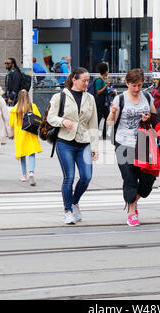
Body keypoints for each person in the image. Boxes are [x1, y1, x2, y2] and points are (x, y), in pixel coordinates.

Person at [47, 67, 99, 225]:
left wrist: (95, 148)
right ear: (74, 79)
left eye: (88, 80)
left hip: (84, 143)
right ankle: (68, 210)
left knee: (86, 176)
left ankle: (74, 202)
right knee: (69, 177)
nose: (86, 83)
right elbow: (50, 117)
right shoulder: (60, 96)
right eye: (84, 80)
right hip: (65, 142)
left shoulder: (90, 98)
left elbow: (93, 123)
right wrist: (63, 121)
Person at [107, 68, 157, 226]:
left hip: (143, 142)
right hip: (123, 142)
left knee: (147, 179)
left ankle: (132, 200)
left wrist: (148, 118)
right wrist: (113, 113)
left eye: (140, 85)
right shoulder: (120, 99)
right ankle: (131, 210)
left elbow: (155, 118)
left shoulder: (147, 97)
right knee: (129, 178)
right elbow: (110, 123)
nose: (137, 89)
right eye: (133, 85)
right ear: (127, 83)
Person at [9, 90, 42, 185]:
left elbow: (11, 123)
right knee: (31, 153)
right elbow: (38, 118)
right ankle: (31, 172)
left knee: (22, 154)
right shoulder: (32, 106)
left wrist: (12, 134)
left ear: (18, 97)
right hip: (30, 133)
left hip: (20, 135)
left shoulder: (15, 109)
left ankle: (23, 175)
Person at [94, 62, 111, 140]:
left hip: (105, 101)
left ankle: (104, 134)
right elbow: (98, 92)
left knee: (107, 117)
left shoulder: (103, 80)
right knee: (98, 118)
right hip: (100, 101)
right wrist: (105, 86)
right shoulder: (99, 80)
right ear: (106, 71)